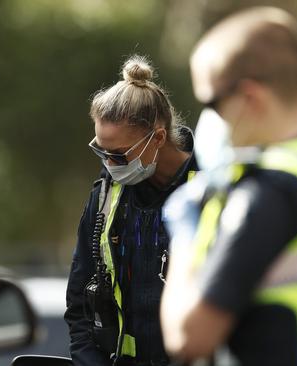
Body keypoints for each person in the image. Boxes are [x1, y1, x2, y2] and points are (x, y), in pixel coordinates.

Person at [160, 6, 297, 366]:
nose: (212, 118)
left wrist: (184, 234)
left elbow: (188, 336)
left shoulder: (268, 193)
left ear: (250, 97)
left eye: (212, 103)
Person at [65, 55, 198, 366]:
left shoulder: (216, 188)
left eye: (119, 155)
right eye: (101, 151)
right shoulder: (105, 198)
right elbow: (79, 306)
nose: (109, 165)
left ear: (159, 137)